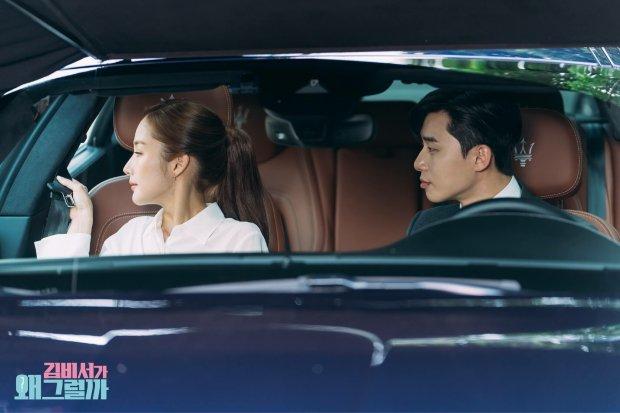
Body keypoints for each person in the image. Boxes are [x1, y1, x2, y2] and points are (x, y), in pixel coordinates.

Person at [35, 99, 269, 258]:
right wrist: (81, 224)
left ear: (178, 164)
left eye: (138, 152)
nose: (126, 167)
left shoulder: (240, 241)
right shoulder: (129, 237)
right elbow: (79, 311)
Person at [407, 90, 535, 234]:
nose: (418, 163)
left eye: (432, 149)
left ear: (480, 157)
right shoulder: (425, 223)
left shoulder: (550, 228)